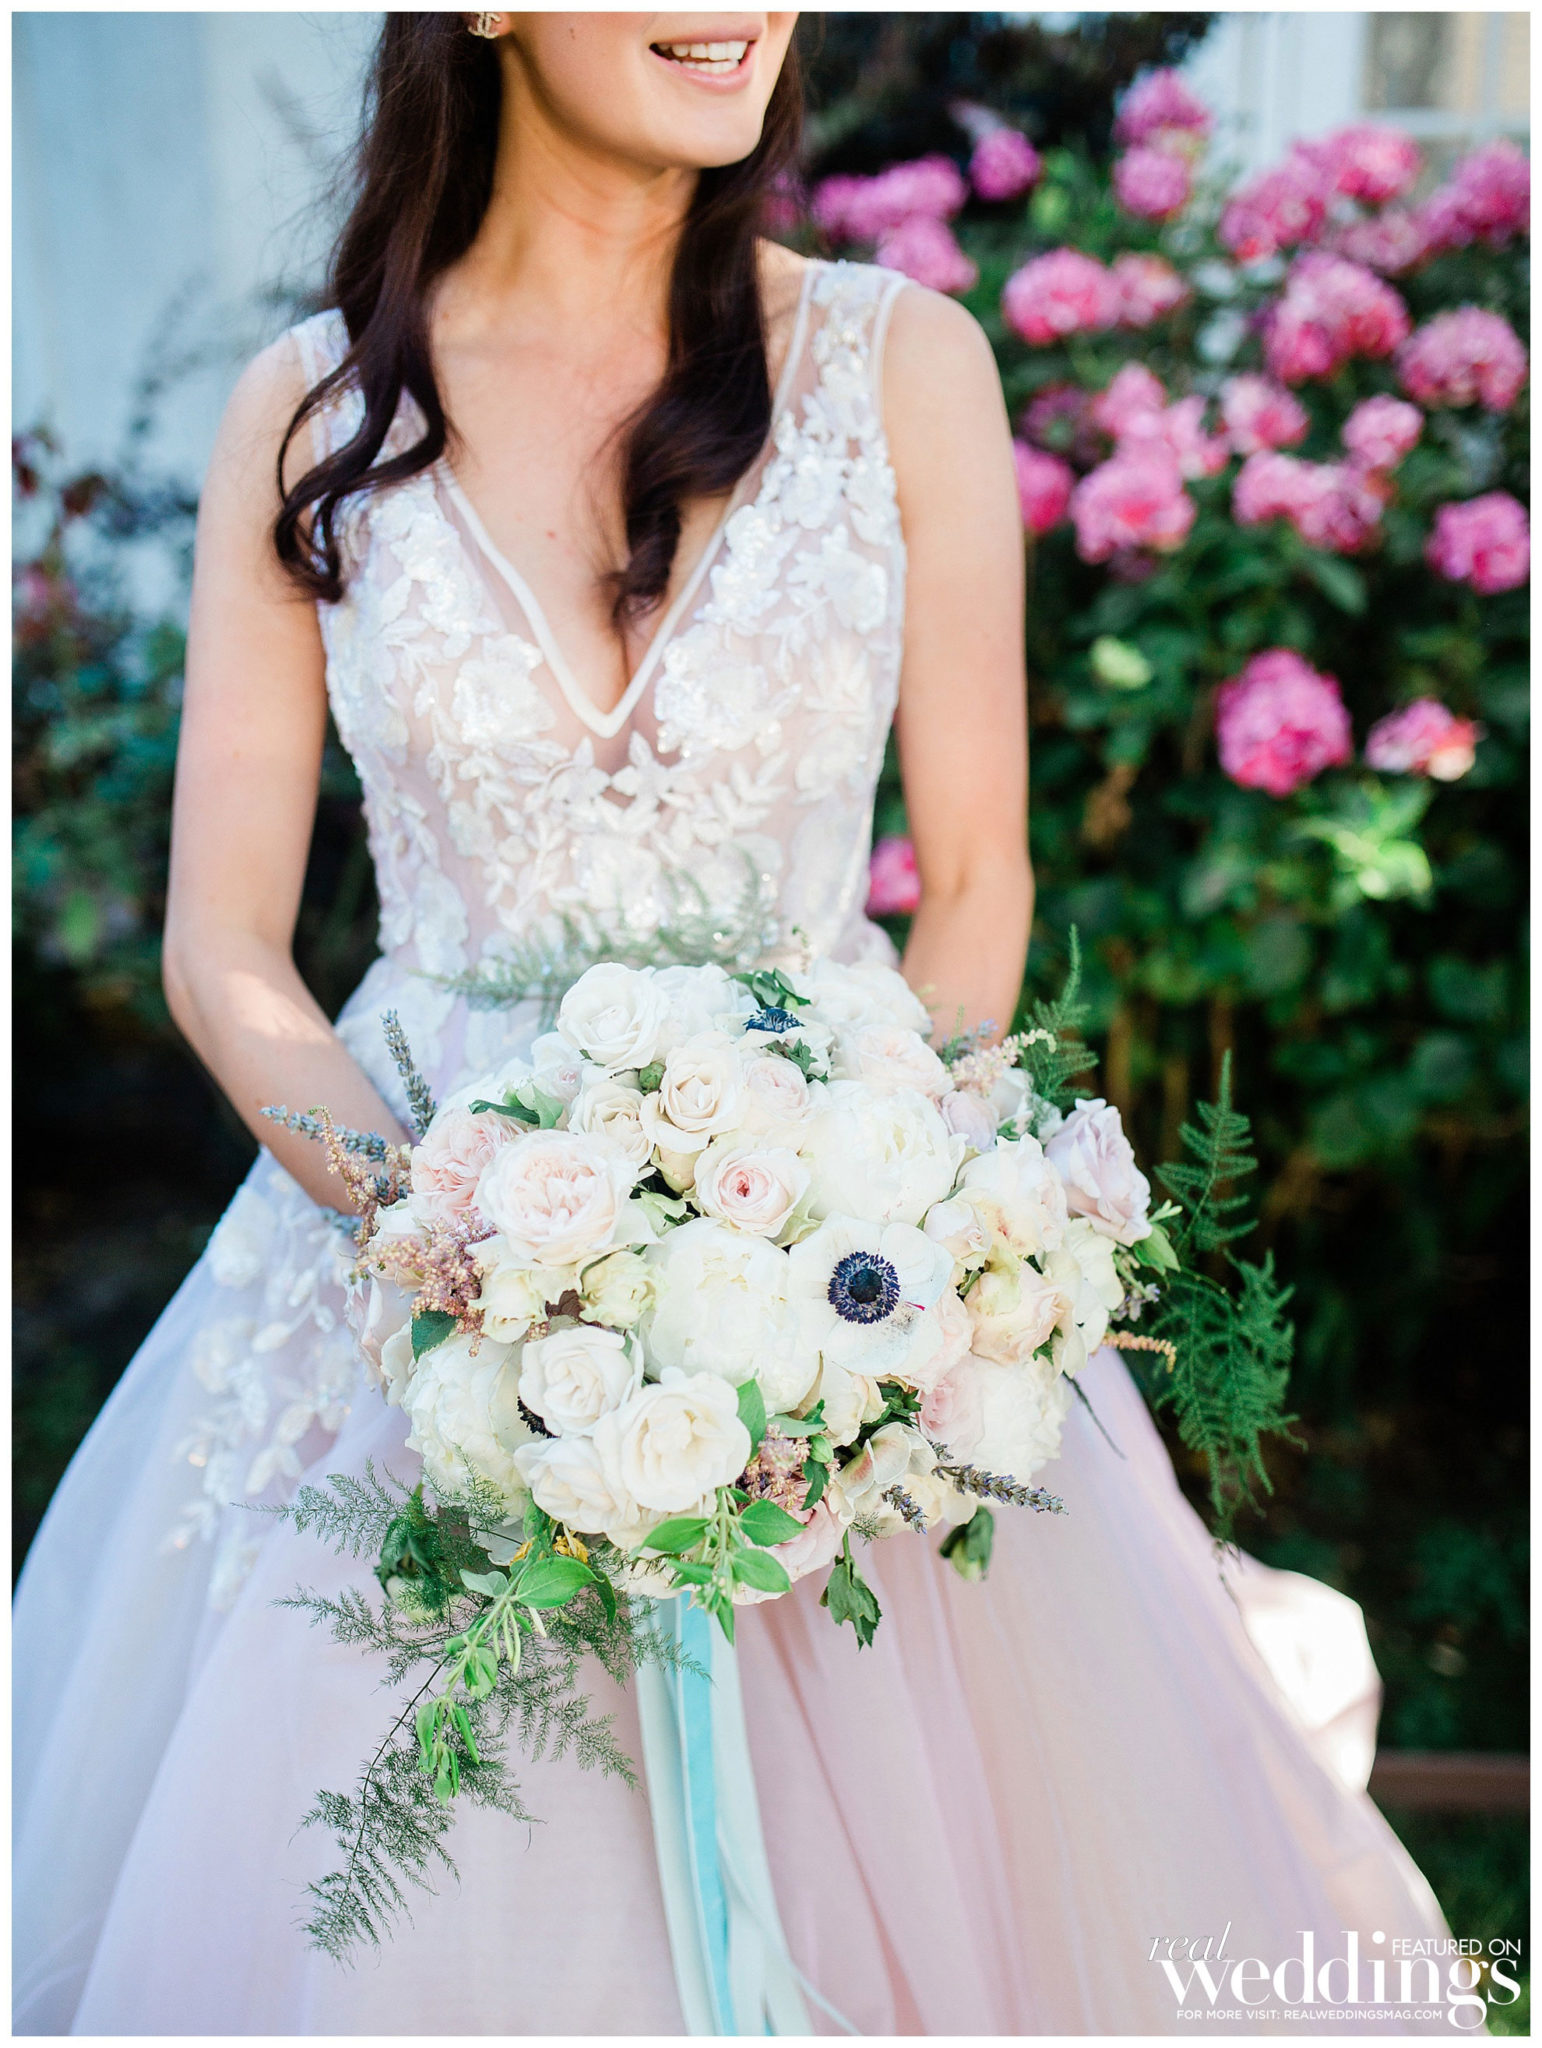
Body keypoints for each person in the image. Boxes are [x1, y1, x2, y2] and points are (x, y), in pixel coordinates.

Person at [14, 13, 1454, 2035]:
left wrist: (882, 1239)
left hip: (841, 1213)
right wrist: (452, 1253)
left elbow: (978, 883)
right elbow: (222, 949)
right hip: (405, 1239)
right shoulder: (310, 410)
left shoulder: (900, 364)